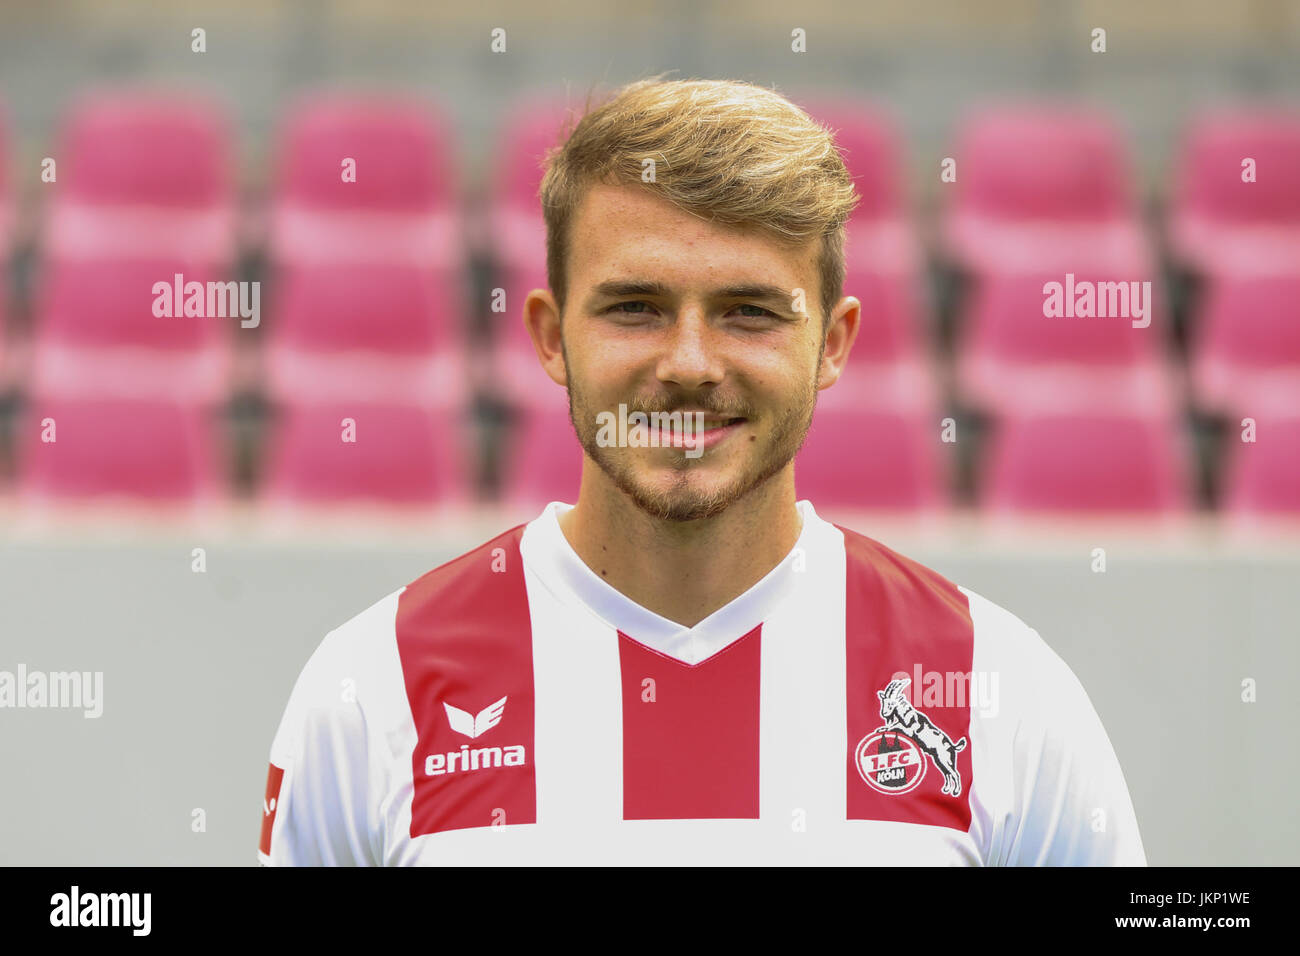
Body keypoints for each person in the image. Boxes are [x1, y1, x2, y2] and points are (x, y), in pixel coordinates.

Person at [258, 76, 1146, 865]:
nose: (689, 362)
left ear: (831, 344)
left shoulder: (995, 684)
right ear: (548, 336)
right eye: (635, 308)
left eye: (749, 312)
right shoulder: (376, 686)